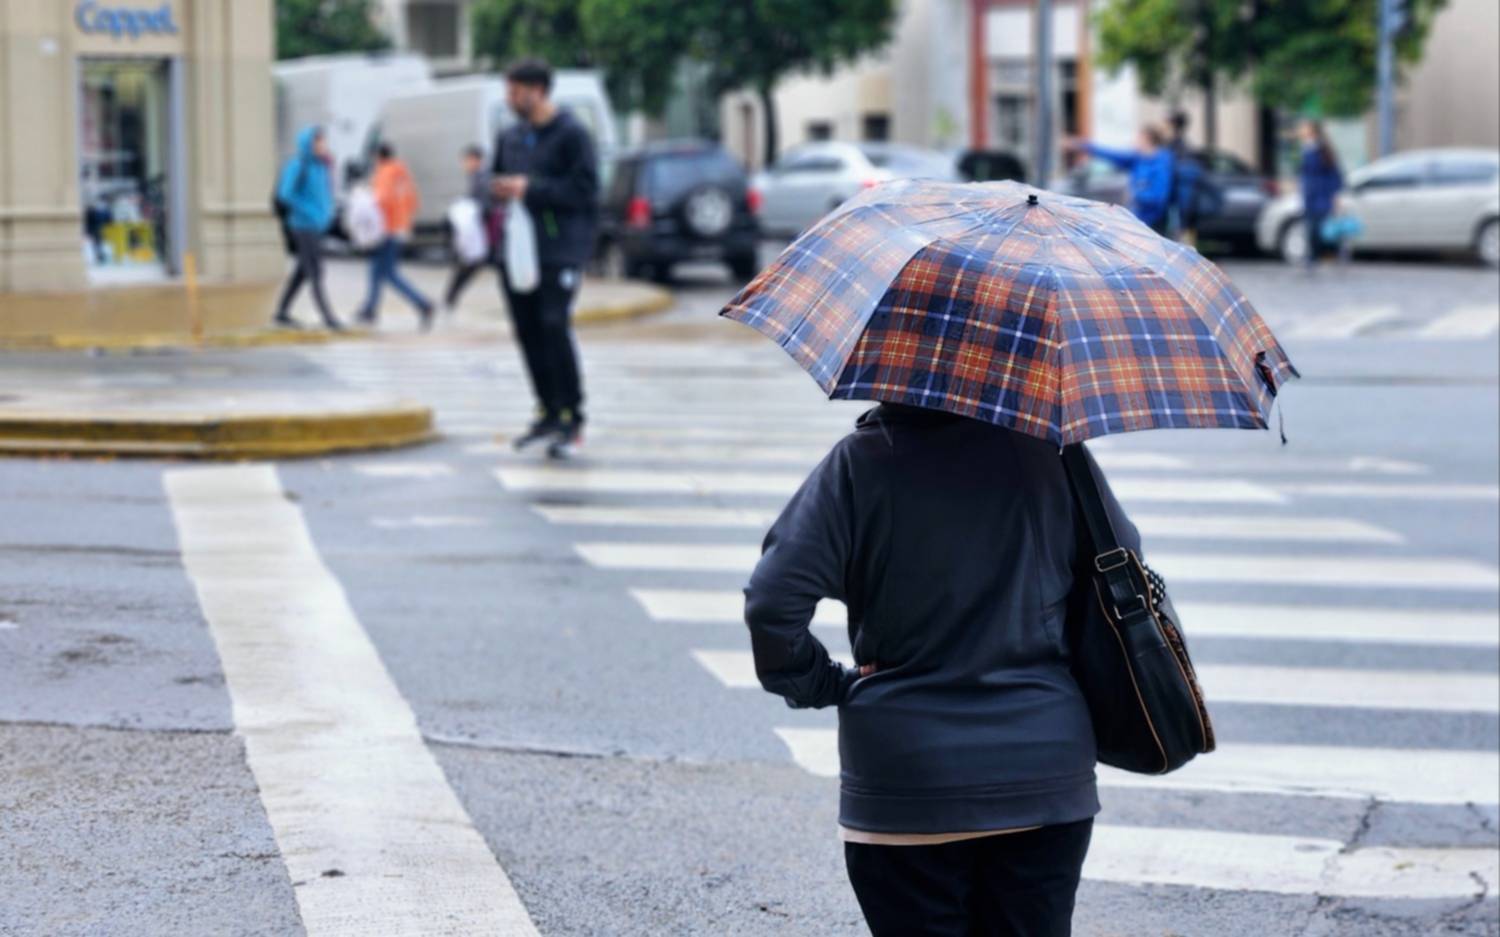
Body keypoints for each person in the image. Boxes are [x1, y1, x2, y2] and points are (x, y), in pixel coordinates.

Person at [744, 403, 1135, 936]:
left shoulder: (862, 461)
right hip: (1044, 764)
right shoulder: (1056, 453)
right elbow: (1124, 567)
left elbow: (773, 601)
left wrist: (823, 683)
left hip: (908, 775)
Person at [490, 57, 598, 456]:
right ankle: (547, 411)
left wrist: (531, 189)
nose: (510, 98)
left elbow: (585, 191)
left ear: (537, 91)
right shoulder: (511, 136)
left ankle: (572, 416)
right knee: (528, 330)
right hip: (518, 250)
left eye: (515, 91)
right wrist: (498, 188)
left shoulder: (572, 134)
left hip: (559, 249)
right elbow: (494, 178)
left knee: (554, 325)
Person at [273, 126, 344, 330]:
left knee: (303, 271)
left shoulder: (322, 166)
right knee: (315, 270)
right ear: (308, 144)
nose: (322, 145)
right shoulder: (298, 165)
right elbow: (285, 194)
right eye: (317, 141)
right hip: (302, 225)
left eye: (323, 141)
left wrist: (325, 216)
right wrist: (309, 211)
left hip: (316, 226)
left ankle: (281, 313)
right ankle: (329, 318)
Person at [358, 143, 434, 329]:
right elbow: (413, 201)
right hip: (400, 227)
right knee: (377, 271)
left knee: (388, 273)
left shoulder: (385, 173)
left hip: (386, 229)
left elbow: (382, 200)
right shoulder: (403, 173)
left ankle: (423, 304)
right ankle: (369, 309)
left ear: (378, 156)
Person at [1066, 126, 1175, 235]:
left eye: (1138, 138)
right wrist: (1082, 145)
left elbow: (1157, 198)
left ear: (1147, 139)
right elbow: (1111, 154)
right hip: (1138, 220)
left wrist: (1135, 194)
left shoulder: (1161, 164)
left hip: (1154, 224)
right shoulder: (1139, 159)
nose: (1134, 141)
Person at [443, 144, 493, 313]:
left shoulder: (482, 178)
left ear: (475, 160)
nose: (465, 164)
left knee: (470, 263)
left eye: (467, 160)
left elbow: (485, 206)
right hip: (477, 230)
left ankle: (450, 298)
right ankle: (450, 298)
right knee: (469, 264)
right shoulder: (476, 177)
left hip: (482, 231)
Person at [1298, 119, 1344, 268]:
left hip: (1322, 194)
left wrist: (1335, 195)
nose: (1301, 131)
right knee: (1311, 227)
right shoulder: (1305, 149)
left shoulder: (1322, 151)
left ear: (1313, 132)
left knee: (1320, 227)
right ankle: (1314, 256)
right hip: (1310, 195)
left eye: (1304, 128)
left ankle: (1324, 255)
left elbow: (1334, 174)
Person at [1166, 111, 1206, 245]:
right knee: (1185, 237)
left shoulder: (1174, 148)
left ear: (1172, 125)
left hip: (1176, 205)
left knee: (1177, 238)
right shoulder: (1186, 146)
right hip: (1185, 207)